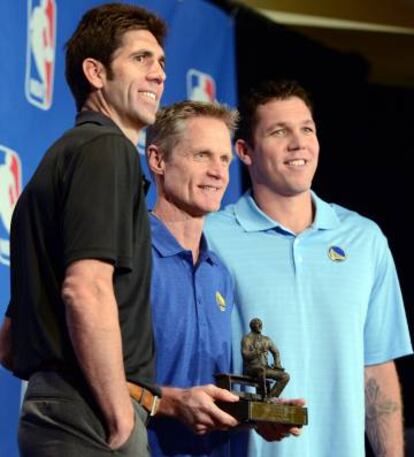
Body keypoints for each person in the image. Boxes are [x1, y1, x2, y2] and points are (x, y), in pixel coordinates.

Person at [204, 80, 413, 457]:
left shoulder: (365, 240)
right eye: (279, 131)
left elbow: (376, 367)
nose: (298, 143)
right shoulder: (211, 236)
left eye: (307, 129)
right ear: (245, 151)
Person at [0, 4, 166, 456]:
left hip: (55, 408)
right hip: (91, 412)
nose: (158, 74)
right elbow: (85, 289)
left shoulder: (57, 160)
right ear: (96, 72)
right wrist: (117, 411)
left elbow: (10, 343)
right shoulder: (106, 150)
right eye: (141, 59)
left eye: (161, 62)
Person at [144, 100, 302, 457]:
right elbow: (83, 374)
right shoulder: (129, 256)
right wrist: (170, 403)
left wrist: (255, 415)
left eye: (224, 160)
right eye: (202, 156)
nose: (218, 172)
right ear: (157, 160)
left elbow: (206, 388)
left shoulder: (220, 274)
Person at [242, 318, 289, 398]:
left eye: (261, 324)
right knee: (261, 369)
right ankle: (264, 397)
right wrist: (257, 352)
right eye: (258, 324)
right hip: (251, 368)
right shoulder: (247, 339)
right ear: (252, 326)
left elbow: (276, 352)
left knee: (285, 376)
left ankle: (270, 398)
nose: (260, 326)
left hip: (265, 368)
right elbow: (245, 355)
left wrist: (277, 365)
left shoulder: (266, 340)